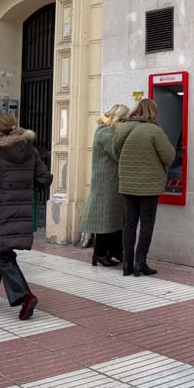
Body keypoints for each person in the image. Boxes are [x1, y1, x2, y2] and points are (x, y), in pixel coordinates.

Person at [0, 114, 53, 320]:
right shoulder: (30, 150)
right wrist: (26, 188)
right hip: (22, 211)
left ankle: (25, 296)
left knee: (1, 253)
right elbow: (45, 178)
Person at [115, 98, 175, 277]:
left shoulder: (123, 128)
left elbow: (116, 151)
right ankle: (140, 263)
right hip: (149, 186)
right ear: (153, 112)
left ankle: (127, 264)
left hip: (127, 184)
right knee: (146, 223)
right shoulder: (154, 130)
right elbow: (169, 157)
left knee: (129, 223)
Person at [81, 104, 130, 267]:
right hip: (106, 184)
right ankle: (100, 253)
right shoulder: (106, 133)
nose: (125, 123)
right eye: (124, 120)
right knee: (105, 218)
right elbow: (117, 153)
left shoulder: (109, 131)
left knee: (116, 219)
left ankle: (115, 250)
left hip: (112, 182)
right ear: (117, 118)